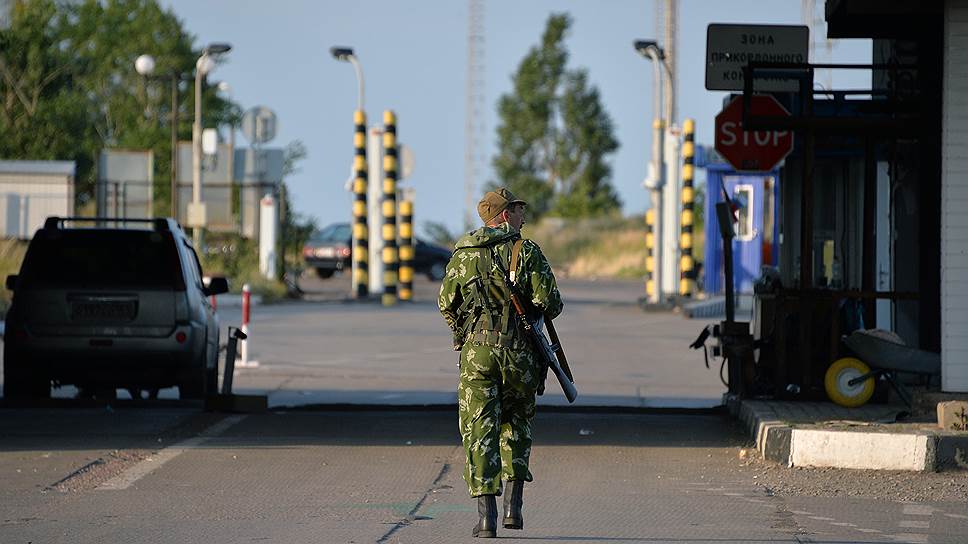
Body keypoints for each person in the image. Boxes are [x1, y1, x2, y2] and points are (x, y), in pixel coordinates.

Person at [438, 187, 563, 538]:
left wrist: (464, 334)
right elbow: (551, 303)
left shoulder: (464, 253)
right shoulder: (526, 251)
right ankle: (513, 508)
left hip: (477, 354)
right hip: (520, 353)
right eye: (519, 210)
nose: (523, 216)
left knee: (479, 429)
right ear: (505, 215)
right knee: (517, 423)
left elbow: (446, 303)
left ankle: (486, 519)